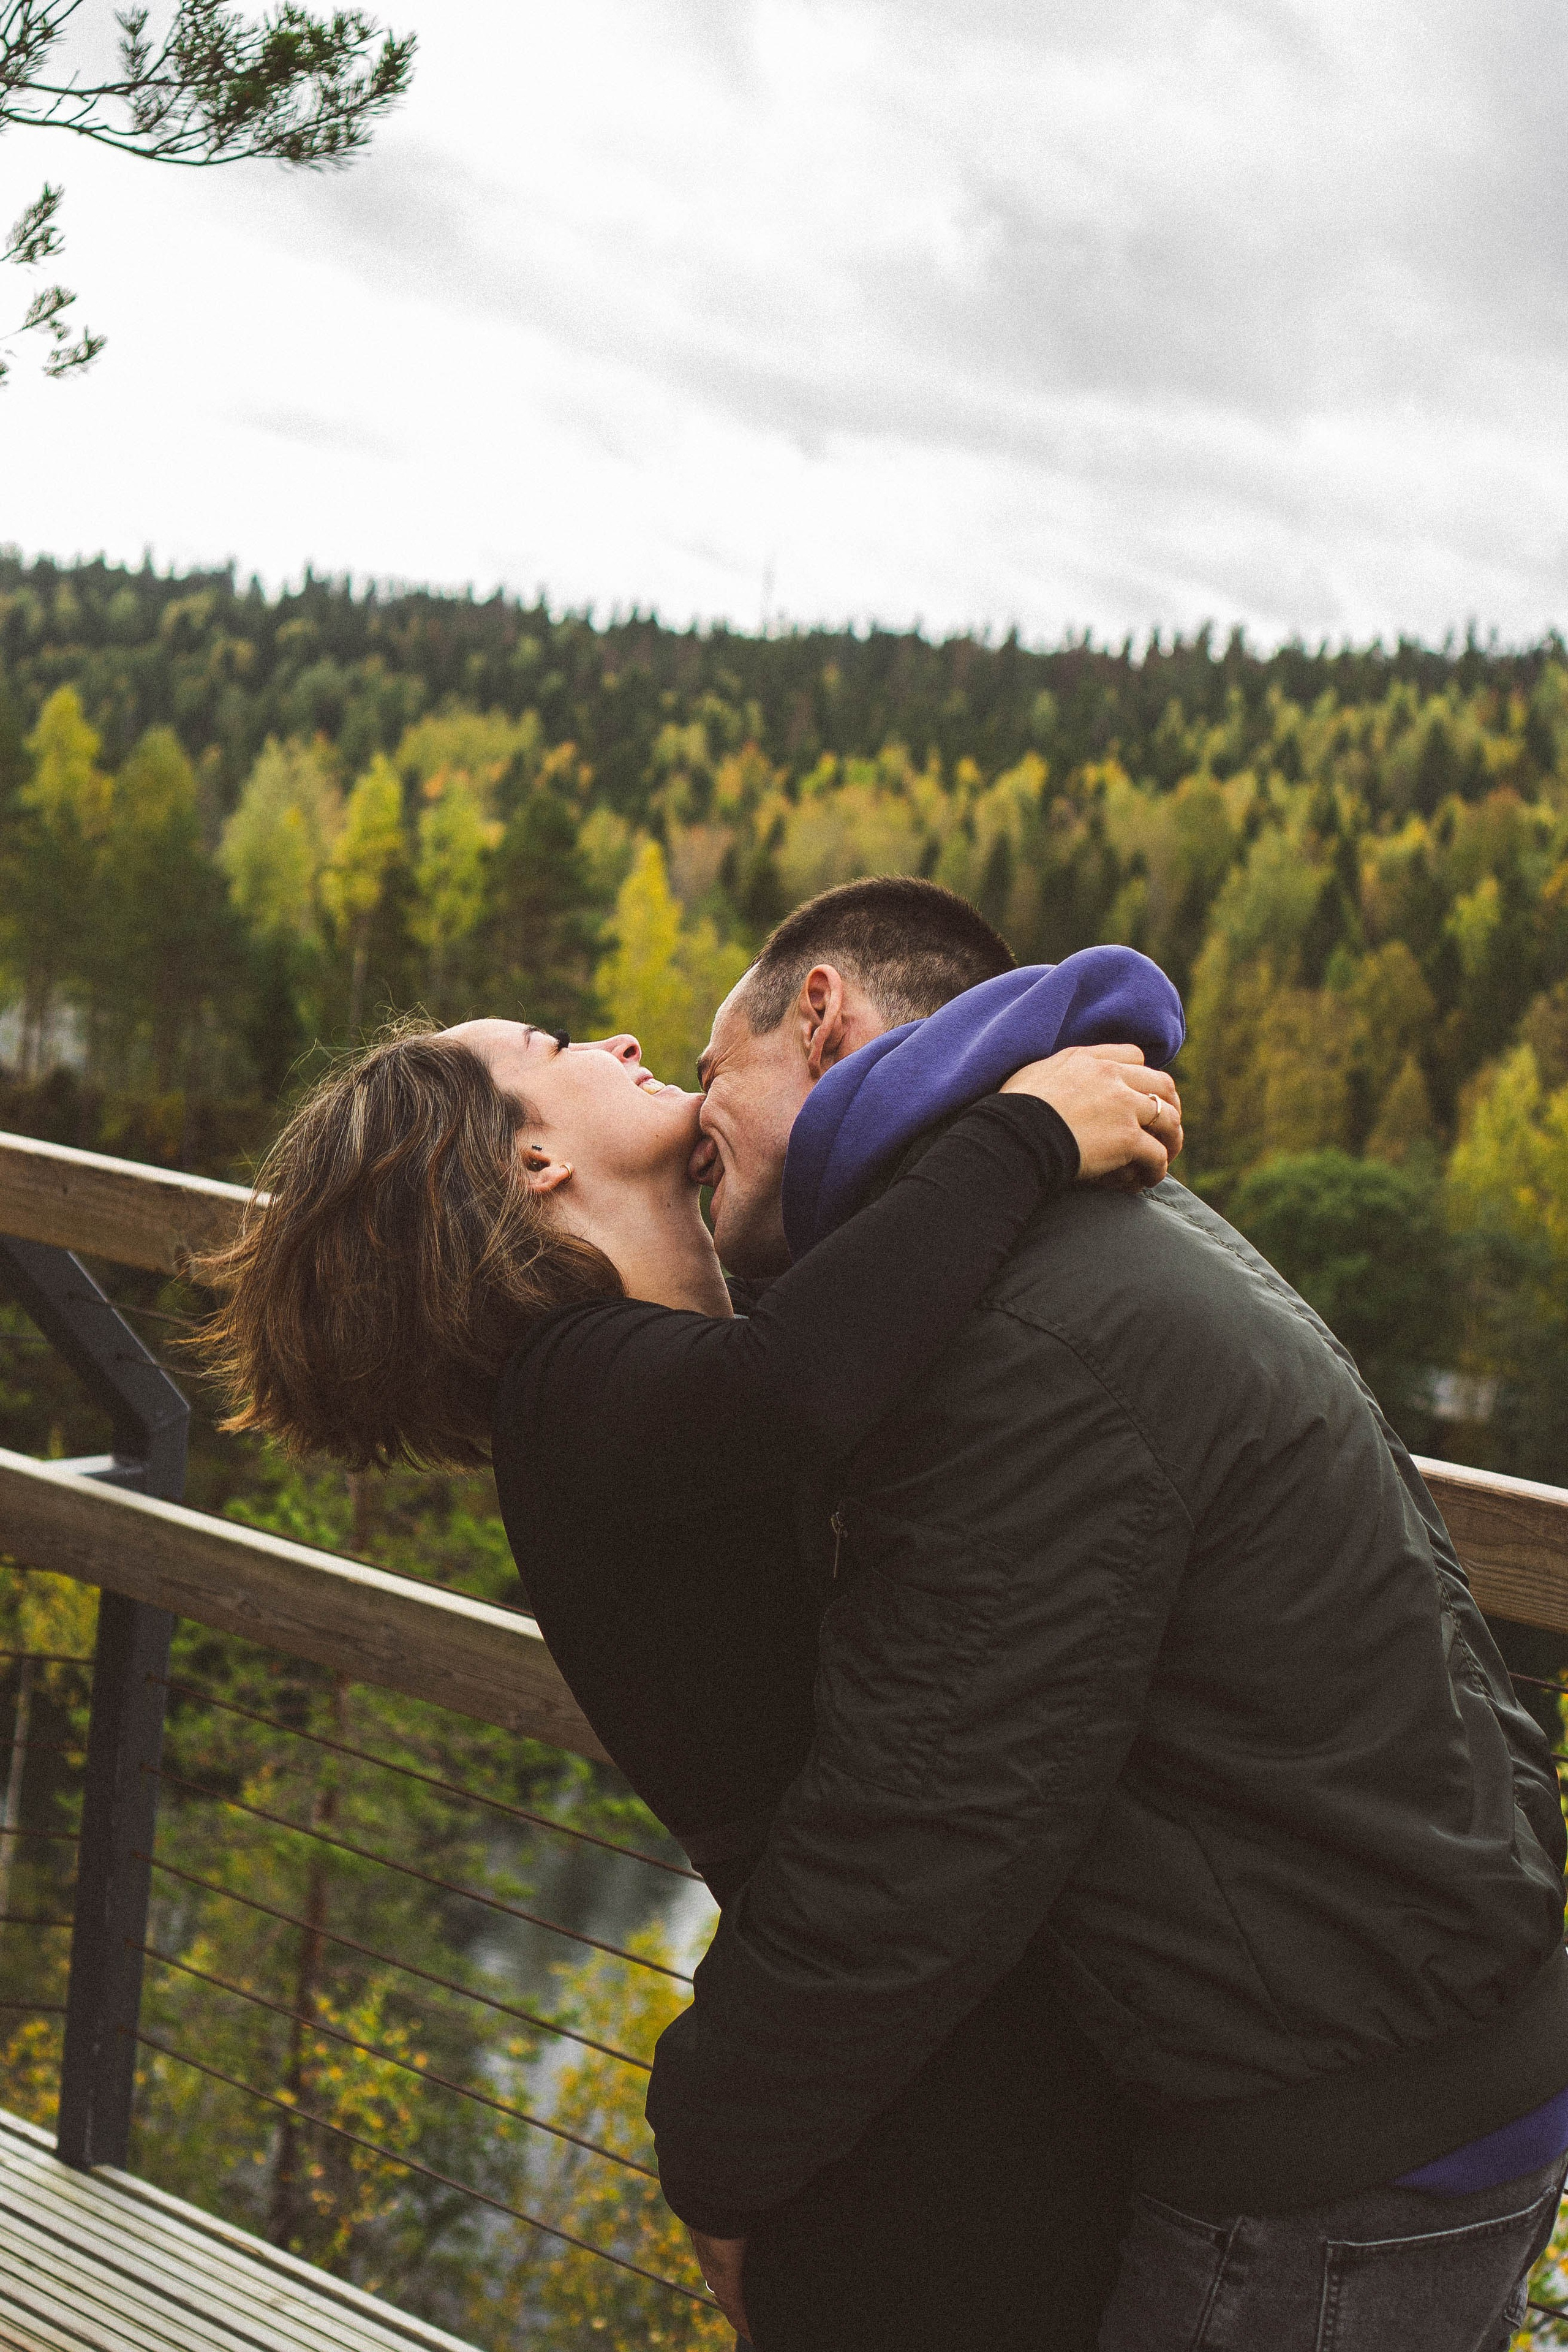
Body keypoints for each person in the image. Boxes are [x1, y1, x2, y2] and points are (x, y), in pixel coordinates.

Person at [194, 953, 1185, 2351]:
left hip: (911, 2029)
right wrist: (1026, 1129)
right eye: (556, 1044)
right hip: (900, 2117)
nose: (615, 1036)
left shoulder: (660, 1370)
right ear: (534, 1158)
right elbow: (789, 1392)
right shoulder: (569, 1392)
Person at [645, 876, 1568, 2352]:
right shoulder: (1101, 1231)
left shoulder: (1017, 1327)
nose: (693, 1123)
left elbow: (920, 1821)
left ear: (818, 1016)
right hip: (1398, 2071)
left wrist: (713, 2139)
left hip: (1334, 2156)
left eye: (711, 1071)